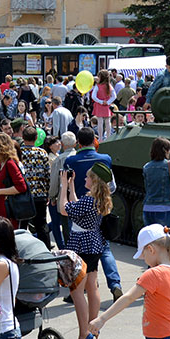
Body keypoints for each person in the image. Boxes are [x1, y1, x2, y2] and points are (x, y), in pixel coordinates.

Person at [59, 160, 114, 339]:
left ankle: (84, 333)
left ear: (94, 180)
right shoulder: (96, 199)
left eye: (87, 176)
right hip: (94, 244)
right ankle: (93, 328)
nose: (84, 178)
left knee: (76, 292)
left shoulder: (89, 200)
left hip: (81, 245)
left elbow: (63, 209)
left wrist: (63, 185)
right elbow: (76, 206)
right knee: (92, 286)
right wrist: (72, 186)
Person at [64, 127, 123, 301]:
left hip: (78, 207)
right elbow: (110, 185)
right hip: (99, 206)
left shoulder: (71, 160)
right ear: (94, 140)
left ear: (78, 143)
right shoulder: (105, 159)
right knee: (103, 248)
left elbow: (65, 183)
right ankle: (115, 284)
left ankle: (80, 286)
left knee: (77, 251)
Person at [142, 137, 170, 228]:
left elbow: (146, 188)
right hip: (165, 208)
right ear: (165, 150)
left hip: (148, 208)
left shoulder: (146, 167)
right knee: (165, 239)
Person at [0, 132, 27, 223]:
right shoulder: (1, 162)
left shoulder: (10, 163)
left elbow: (21, 187)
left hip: (9, 210)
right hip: (1, 208)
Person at [91, 69, 117, 140]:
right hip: (107, 106)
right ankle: (108, 137)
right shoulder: (109, 85)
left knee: (100, 122)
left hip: (99, 105)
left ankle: (100, 138)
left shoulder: (98, 86)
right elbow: (114, 96)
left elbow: (93, 96)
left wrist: (100, 101)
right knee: (108, 122)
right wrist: (108, 102)